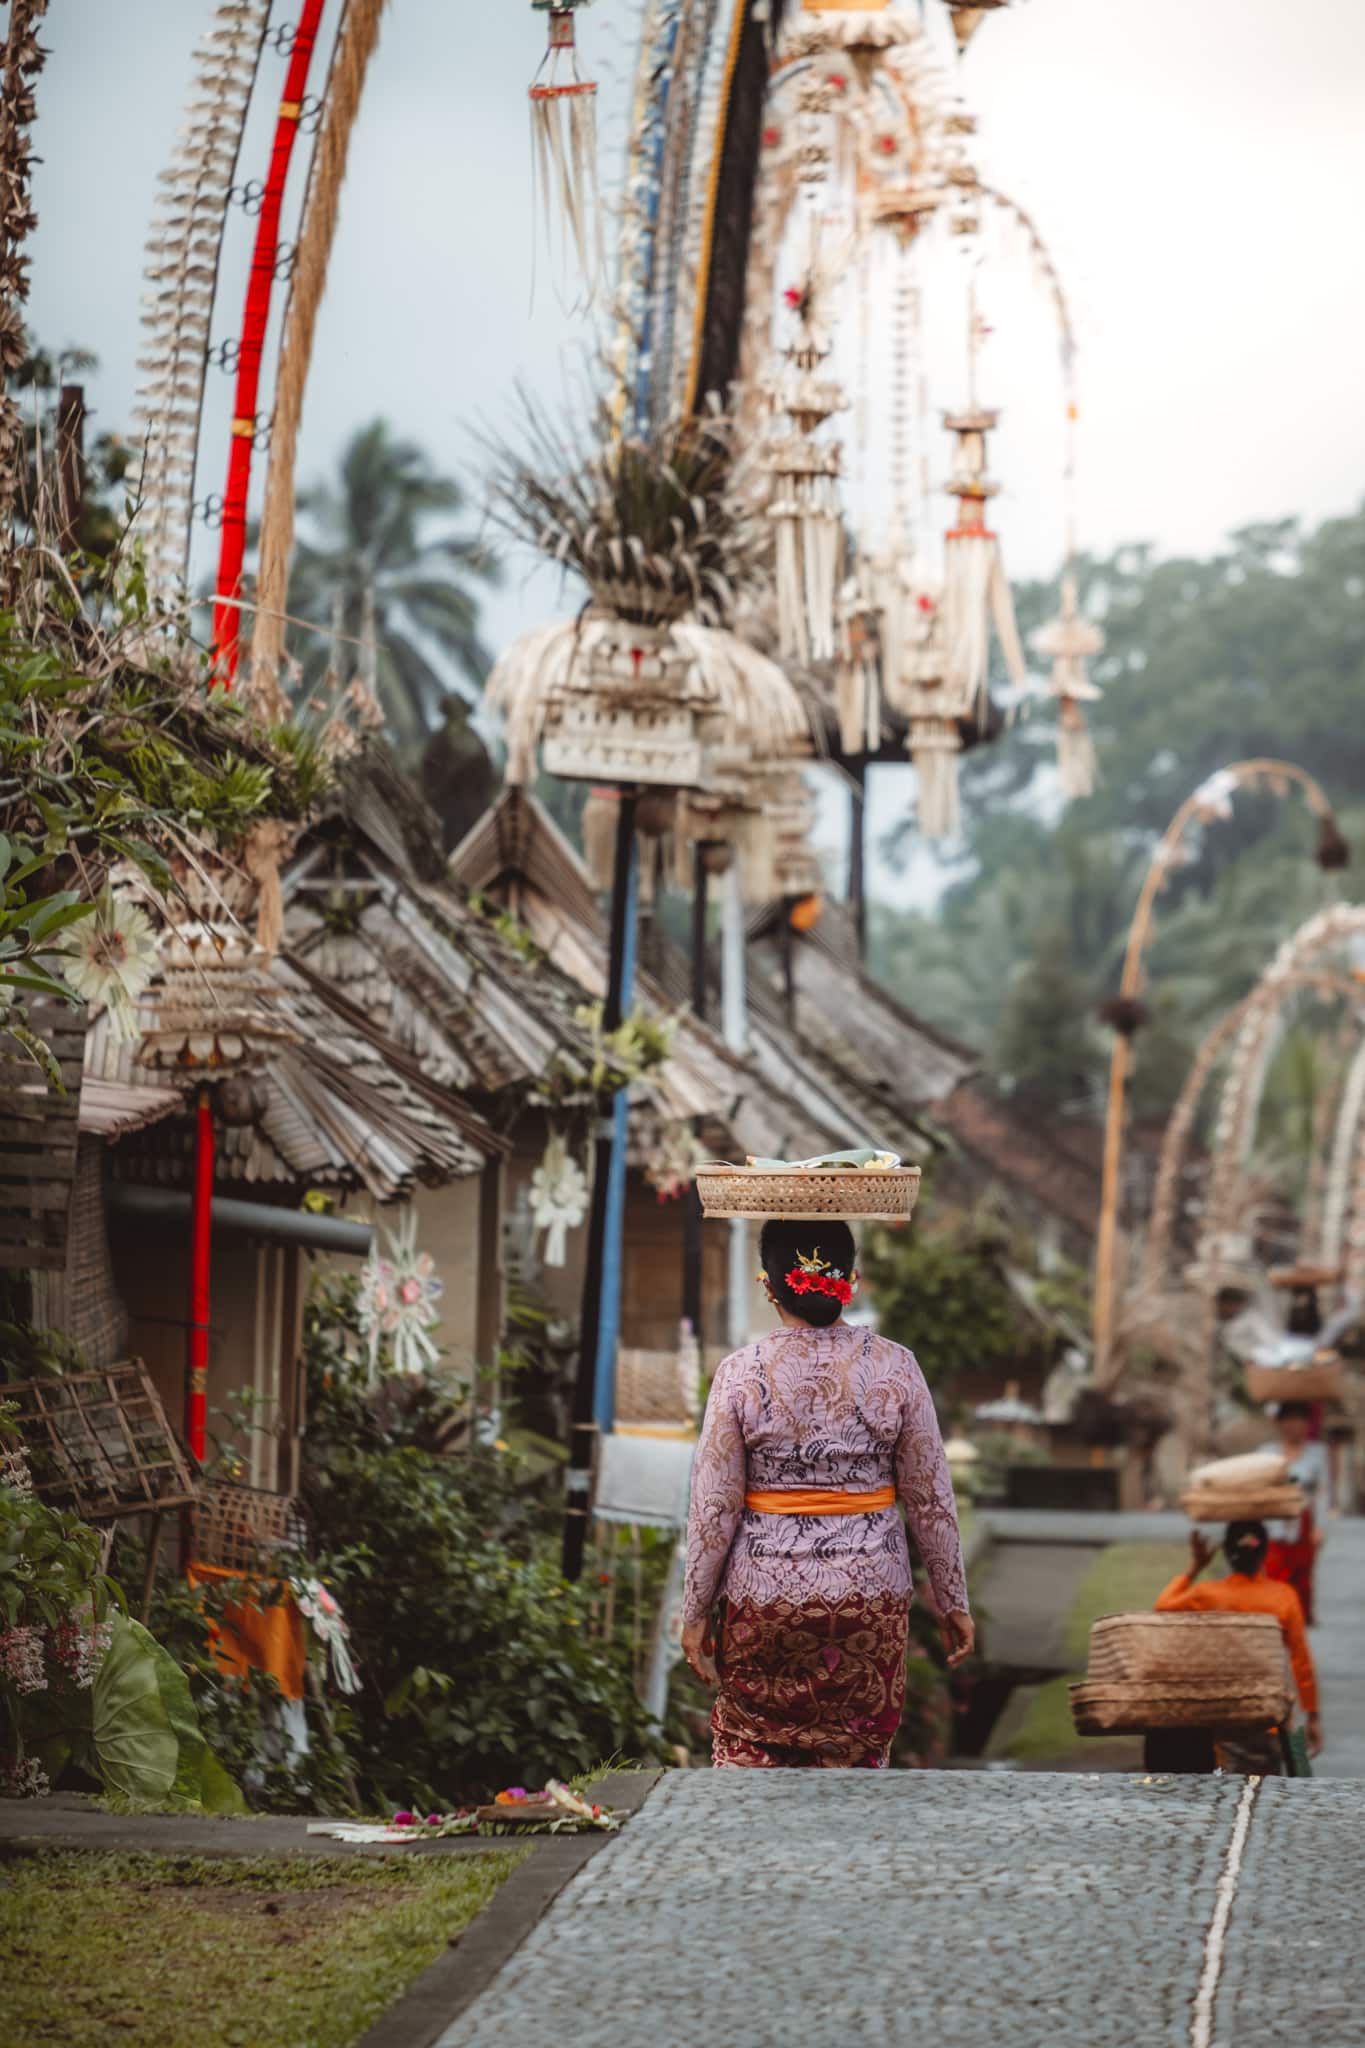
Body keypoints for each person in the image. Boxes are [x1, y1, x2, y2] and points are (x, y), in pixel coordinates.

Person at [680, 1216, 973, 1768]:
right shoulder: (897, 1366)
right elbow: (930, 1499)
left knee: (752, 1752)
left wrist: (695, 1609)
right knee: (855, 1758)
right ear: (852, 1280)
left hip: (763, 1600)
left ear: (769, 1286)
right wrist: (953, 1600)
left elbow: (714, 1507)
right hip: (870, 1600)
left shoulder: (740, 1373)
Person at [1146, 1520, 1321, 1774]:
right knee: (1263, 1795)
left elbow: (1162, 1607)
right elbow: (1301, 1660)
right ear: (1265, 1552)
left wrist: (1195, 1566)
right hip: (1267, 1719)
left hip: (1218, 1717)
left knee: (1221, 1794)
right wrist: (1312, 1716)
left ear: (1227, 1554)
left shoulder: (1207, 1594)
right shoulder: (1283, 1596)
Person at [1259, 1399, 1329, 1624]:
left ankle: (1298, 1621)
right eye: (1288, 1420)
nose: (1293, 1426)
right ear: (1279, 1423)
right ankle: (1276, 1616)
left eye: (1299, 1420)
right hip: (1274, 1521)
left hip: (1303, 1521)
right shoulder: (1266, 1452)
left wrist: (1321, 1526)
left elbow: (1323, 1492)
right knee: (1273, 1572)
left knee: (1302, 1574)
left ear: (1307, 1424)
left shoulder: (1317, 1453)